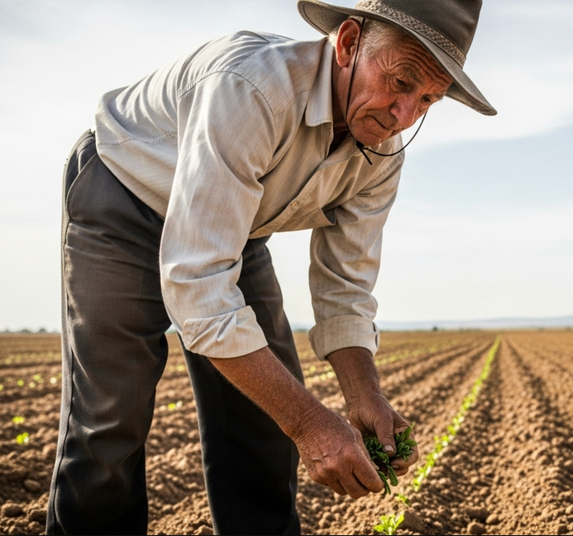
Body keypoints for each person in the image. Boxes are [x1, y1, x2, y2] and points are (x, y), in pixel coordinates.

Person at [46, 0, 495, 534]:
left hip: (237, 225)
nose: (404, 114)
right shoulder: (252, 88)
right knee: (108, 422)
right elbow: (200, 286)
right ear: (349, 43)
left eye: (428, 100)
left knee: (261, 416)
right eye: (400, 81)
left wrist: (364, 395)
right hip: (124, 194)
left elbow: (345, 285)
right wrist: (309, 422)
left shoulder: (383, 151)